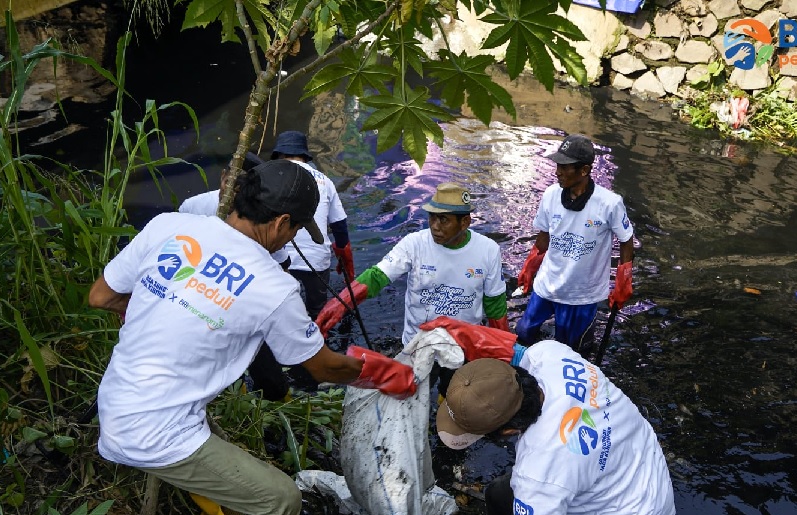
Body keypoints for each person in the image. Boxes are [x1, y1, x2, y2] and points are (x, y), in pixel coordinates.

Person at [88, 160, 416, 515]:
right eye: (295, 229)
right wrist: (381, 372)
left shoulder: (169, 226)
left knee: (233, 476)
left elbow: (101, 296)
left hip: (117, 398)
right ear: (280, 223)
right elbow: (323, 367)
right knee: (278, 501)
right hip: (153, 432)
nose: (291, 238)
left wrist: (167, 304)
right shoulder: (273, 286)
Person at [421, 317, 676, 515]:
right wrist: (471, 335)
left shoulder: (539, 474)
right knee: (499, 494)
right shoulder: (550, 354)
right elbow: (518, 353)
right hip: (646, 476)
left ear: (509, 430)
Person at [315, 182, 509, 350]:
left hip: (463, 346)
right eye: (432, 217)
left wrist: (504, 351)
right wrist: (341, 303)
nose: (435, 226)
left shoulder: (488, 250)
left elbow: (496, 308)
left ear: (465, 222)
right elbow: (377, 276)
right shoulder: (414, 243)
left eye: (444, 219)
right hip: (417, 344)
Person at [178, 151, 292, 400]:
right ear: (223, 177)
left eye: (242, 190)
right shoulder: (194, 208)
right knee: (220, 374)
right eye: (229, 184)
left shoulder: (261, 221)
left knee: (268, 373)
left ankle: (278, 401)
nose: (232, 196)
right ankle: (234, 403)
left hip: (242, 308)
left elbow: (281, 265)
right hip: (199, 302)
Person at [515, 134, 634, 351]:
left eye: (564, 166)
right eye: (557, 165)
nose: (557, 172)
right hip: (547, 285)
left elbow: (626, 241)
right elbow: (544, 236)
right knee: (523, 335)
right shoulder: (551, 195)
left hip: (582, 294)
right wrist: (531, 264)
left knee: (572, 349)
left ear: (584, 170)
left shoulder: (609, 203)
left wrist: (623, 279)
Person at [271, 130, 354, 319]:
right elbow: (340, 225)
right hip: (317, 260)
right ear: (305, 157)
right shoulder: (325, 181)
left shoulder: (272, 177)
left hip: (279, 260)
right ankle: (319, 342)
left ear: (280, 155)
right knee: (318, 312)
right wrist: (343, 255)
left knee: (282, 312)